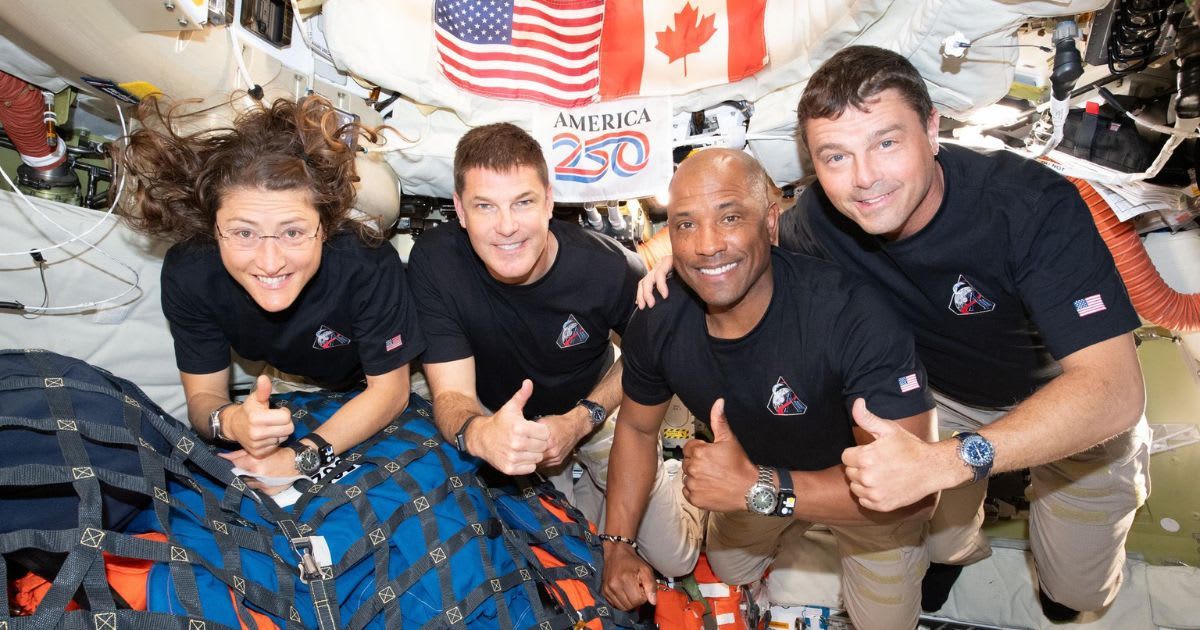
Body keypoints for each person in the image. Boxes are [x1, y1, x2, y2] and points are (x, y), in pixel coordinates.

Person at [638, 46, 1149, 622]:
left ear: (932, 130)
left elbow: (1114, 390)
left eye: (886, 142)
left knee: (1078, 594)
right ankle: (955, 550)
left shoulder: (1026, 206)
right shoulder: (819, 221)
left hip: (1066, 398)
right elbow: (740, 235)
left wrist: (953, 461)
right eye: (836, 156)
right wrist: (677, 260)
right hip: (940, 399)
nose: (864, 179)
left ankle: (1051, 571)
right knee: (932, 533)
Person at [605, 148, 937, 630]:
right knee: (729, 568)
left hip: (866, 496)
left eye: (731, 217)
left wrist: (760, 490)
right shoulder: (659, 319)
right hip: (758, 476)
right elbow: (635, 428)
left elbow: (915, 495)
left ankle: (916, 550)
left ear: (771, 223)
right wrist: (618, 543)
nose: (707, 246)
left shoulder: (852, 316)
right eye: (686, 225)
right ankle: (798, 529)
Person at [407, 123, 698, 575]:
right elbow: (451, 396)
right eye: (486, 206)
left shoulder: (608, 267)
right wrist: (483, 435)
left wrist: (580, 420)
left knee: (675, 561)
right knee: (559, 555)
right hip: (508, 419)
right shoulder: (435, 261)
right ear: (460, 211)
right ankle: (581, 486)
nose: (506, 227)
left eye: (522, 202)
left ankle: (666, 472)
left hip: (594, 406)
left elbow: (644, 358)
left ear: (548, 202)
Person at [118, 95, 425, 489]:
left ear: (326, 226)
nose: (270, 261)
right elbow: (204, 398)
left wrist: (300, 458)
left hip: (399, 375)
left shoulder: (365, 261)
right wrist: (231, 421)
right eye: (244, 233)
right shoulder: (190, 273)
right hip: (296, 379)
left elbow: (390, 392)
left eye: (293, 232)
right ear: (213, 229)